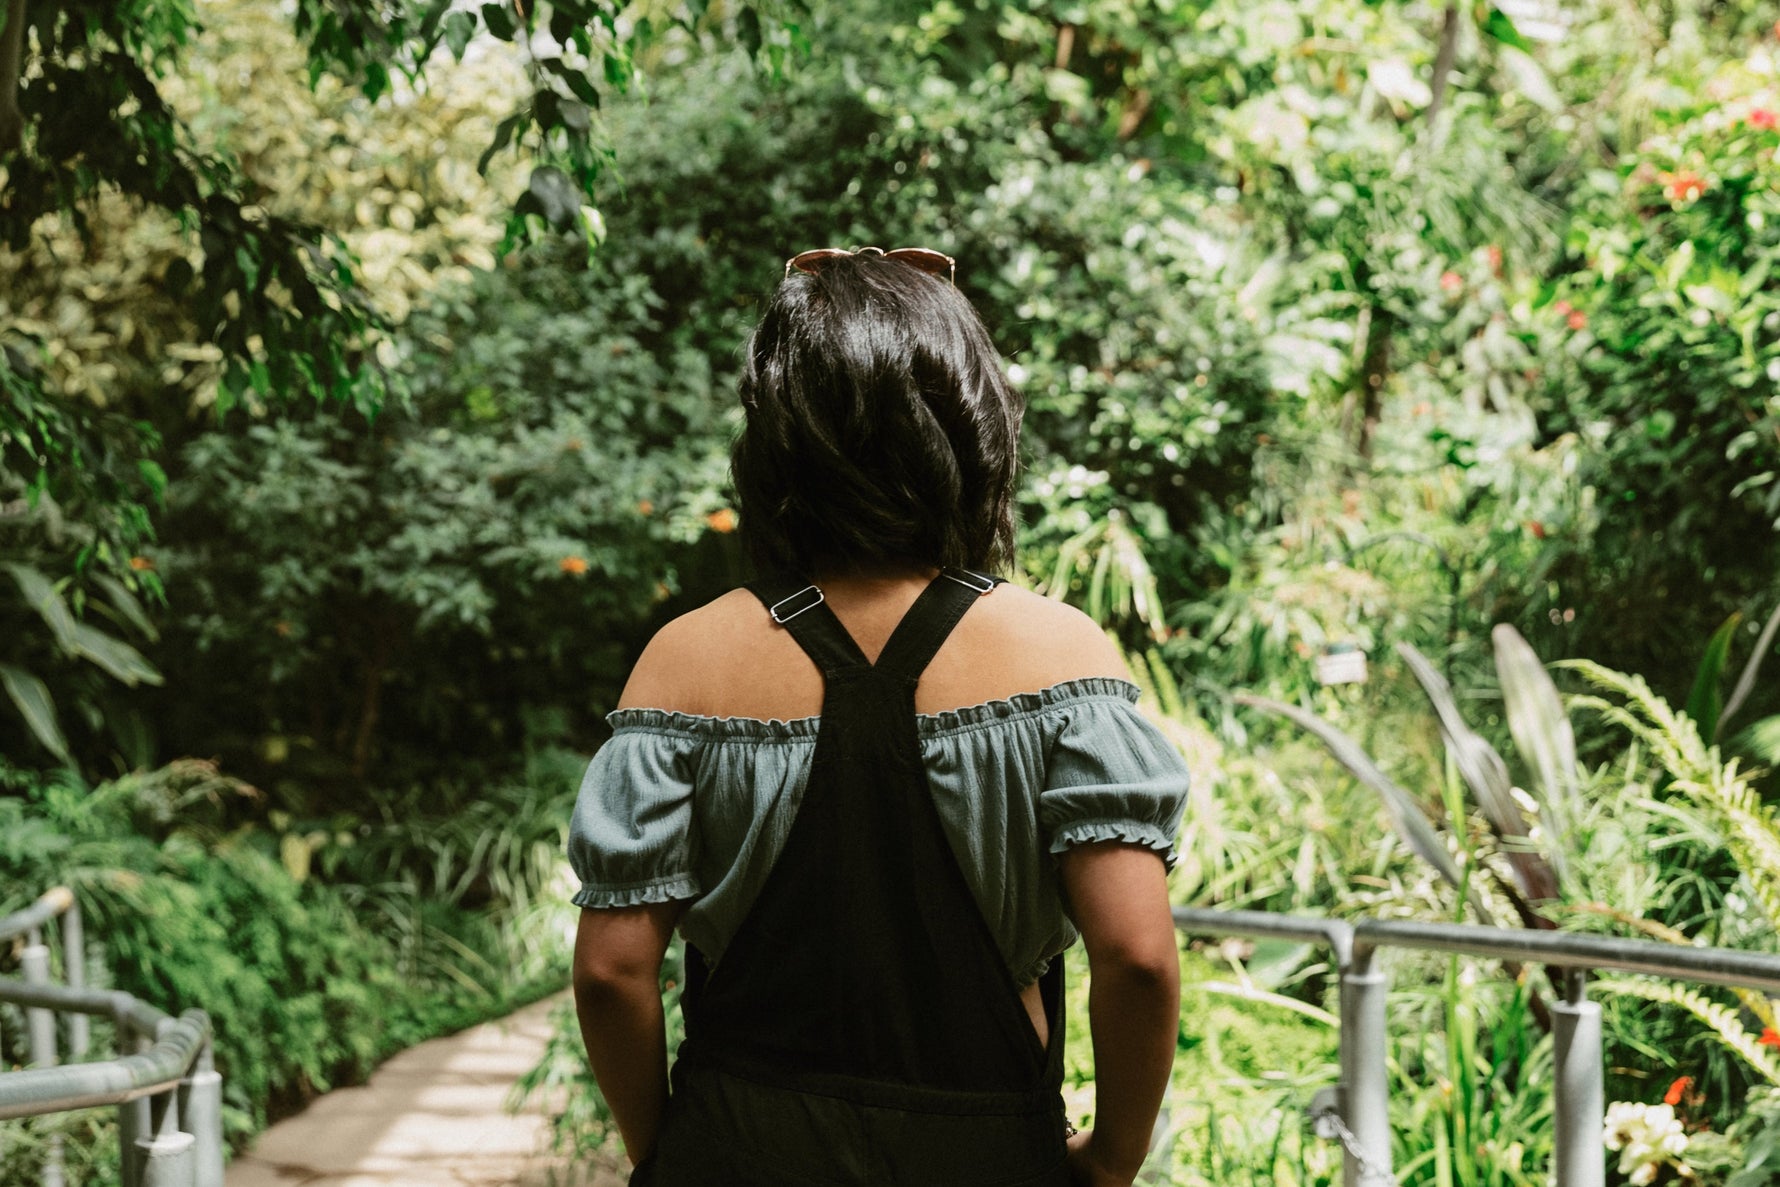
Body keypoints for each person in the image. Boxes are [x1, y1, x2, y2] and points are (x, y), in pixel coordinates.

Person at [567, 245, 1191, 1186]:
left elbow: (612, 971)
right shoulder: (1060, 657)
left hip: (739, 1145)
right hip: (982, 1149)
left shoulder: (685, 659)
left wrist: (666, 1151)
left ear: (776, 437)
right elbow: (1139, 957)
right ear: (972, 425)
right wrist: (1110, 1160)